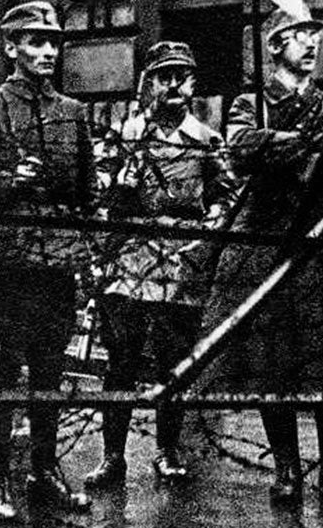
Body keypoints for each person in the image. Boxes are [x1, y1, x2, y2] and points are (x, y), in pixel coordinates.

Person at [199, 9, 323, 510]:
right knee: (276, 362)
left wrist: (311, 161)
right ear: (273, 48)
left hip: (320, 246)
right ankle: (287, 467)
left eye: (313, 35)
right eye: (296, 37)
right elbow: (244, 146)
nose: (309, 45)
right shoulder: (253, 103)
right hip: (267, 246)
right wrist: (302, 143)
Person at [0, 1, 93, 521]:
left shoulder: (74, 114)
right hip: (7, 265)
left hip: (57, 265)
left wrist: (86, 250)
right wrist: (8, 182)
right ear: (10, 48)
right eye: (35, 41)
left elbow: (86, 194)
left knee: (51, 371)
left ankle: (44, 470)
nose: (48, 51)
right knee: (5, 371)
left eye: (53, 42)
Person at [83, 41, 236, 489]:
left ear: (192, 85)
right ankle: (113, 457)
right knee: (122, 361)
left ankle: (168, 451)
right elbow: (100, 192)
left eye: (181, 76)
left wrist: (208, 233)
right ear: (149, 83)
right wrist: (119, 184)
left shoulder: (208, 139)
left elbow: (227, 196)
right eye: (163, 76)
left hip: (181, 264)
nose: (172, 85)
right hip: (130, 261)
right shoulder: (127, 133)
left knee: (174, 362)